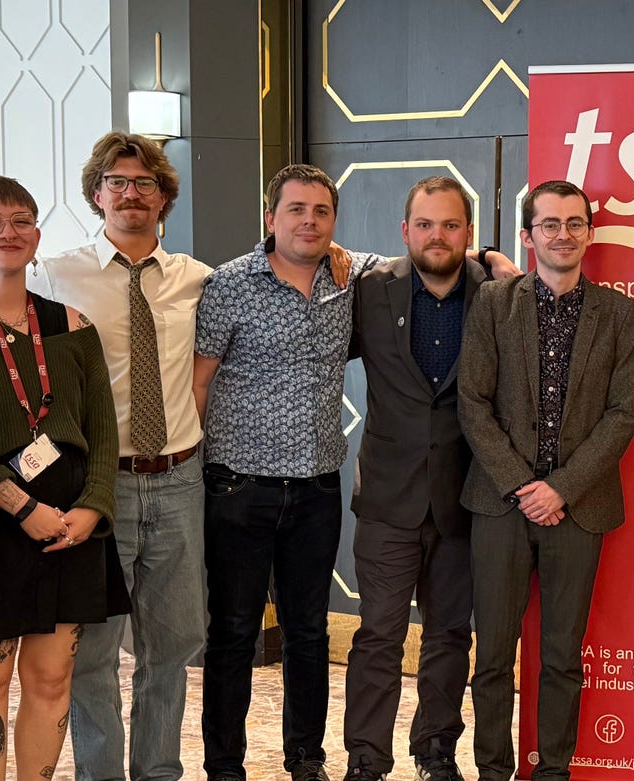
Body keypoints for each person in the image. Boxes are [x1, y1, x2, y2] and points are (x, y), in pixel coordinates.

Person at [193, 163, 387, 781]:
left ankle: (306, 758)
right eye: (296, 210)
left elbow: (420, 258)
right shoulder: (230, 284)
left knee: (307, 632)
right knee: (233, 634)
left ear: (333, 222)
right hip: (237, 487)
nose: (309, 221)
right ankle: (225, 765)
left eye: (321, 212)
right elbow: (199, 381)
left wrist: (491, 257)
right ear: (271, 218)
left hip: (316, 489)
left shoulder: (350, 274)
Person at [0, 175, 130, 780]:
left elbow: (103, 431)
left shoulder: (72, 326)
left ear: (38, 234)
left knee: (52, 677)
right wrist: (21, 506)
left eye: (21, 220)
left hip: (71, 526)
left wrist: (94, 507)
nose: (7, 232)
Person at [33, 132, 212, 781]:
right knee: (94, 652)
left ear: (164, 196)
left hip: (179, 480)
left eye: (144, 183)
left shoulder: (198, 279)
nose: (130, 193)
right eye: (117, 182)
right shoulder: (53, 274)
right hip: (97, 488)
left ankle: (159, 769)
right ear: (96, 194)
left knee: (170, 646)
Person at [458, 179, 634, 781]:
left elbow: (624, 414)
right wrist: (523, 485)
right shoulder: (493, 304)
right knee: (492, 656)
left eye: (574, 223)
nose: (562, 234)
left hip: (579, 508)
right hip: (499, 504)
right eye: (549, 224)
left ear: (589, 233)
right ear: (527, 235)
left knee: (563, 656)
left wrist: (560, 487)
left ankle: (553, 772)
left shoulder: (620, 315)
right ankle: (493, 770)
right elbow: (472, 402)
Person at [341, 176, 484, 781]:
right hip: (387, 500)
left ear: (468, 233)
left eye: (450, 225)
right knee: (378, 637)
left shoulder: (498, 294)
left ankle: (436, 754)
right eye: (425, 224)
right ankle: (366, 762)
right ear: (405, 231)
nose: (437, 236)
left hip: (466, 500)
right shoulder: (369, 292)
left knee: (450, 636)